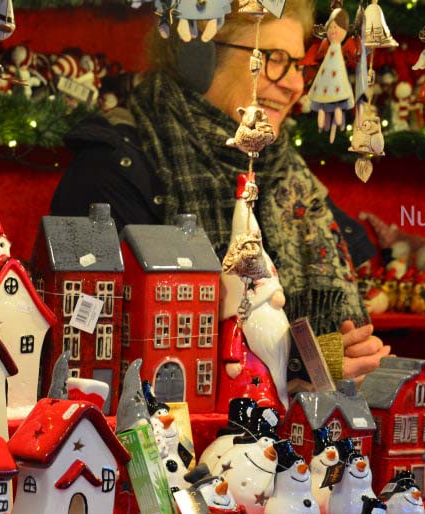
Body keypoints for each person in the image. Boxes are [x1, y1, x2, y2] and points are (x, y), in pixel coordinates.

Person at [50, 1, 387, 381]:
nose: (295, 85)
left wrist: (338, 355)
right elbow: (108, 343)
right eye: (274, 59)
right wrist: (302, 361)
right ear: (200, 57)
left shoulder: (287, 175)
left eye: (299, 65)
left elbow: (328, 331)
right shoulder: (111, 168)